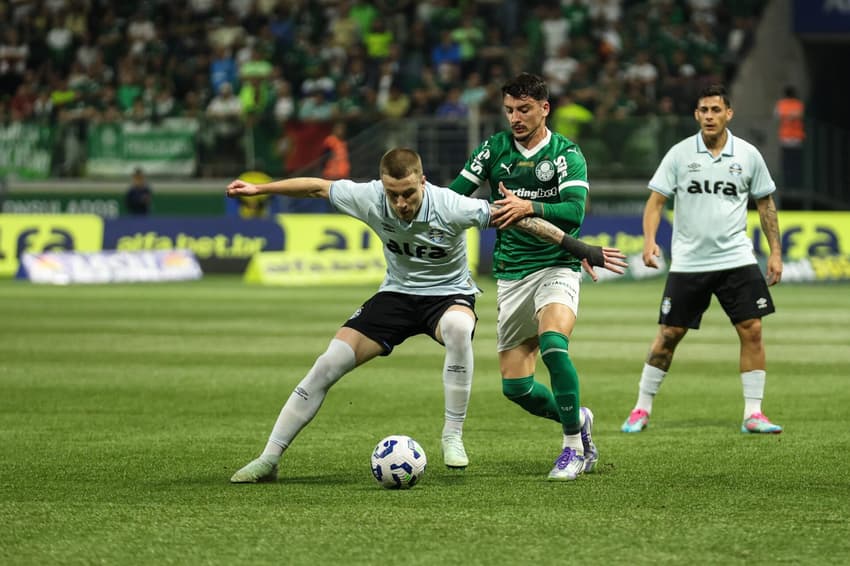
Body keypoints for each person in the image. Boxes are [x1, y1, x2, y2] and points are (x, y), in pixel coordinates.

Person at [229, 148, 625, 483]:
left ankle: (452, 435)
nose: (399, 203)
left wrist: (577, 247)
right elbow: (317, 186)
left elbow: (519, 217)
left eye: (407, 193)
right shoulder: (368, 197)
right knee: (327, 363)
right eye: (392, 194)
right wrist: (259, 188)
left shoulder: (452, 205)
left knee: (457, 327)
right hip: (396, 295)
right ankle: (269, 458)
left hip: (448, 295)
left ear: (423, 182)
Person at [448, 72, 622, 481]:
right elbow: (457, 195)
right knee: (516, 389)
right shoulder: (493, 150)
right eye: (509, 110)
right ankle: (578, 417)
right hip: (511, 274)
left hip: (557, 264)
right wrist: (428, 197)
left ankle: (573, 449)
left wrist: (529, 206)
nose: (516, 117)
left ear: (545, 108)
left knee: (553, 345)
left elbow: (575, 212)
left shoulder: (565, 153)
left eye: (524, 109)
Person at [620, 84, 784, 435]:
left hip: (736, 258)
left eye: (715, 110)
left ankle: (753, 414)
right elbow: (656, 202)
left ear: (729, 114)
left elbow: (766, 204)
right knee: (669, 334)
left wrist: (776, 253)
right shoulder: (680, 154)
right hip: (689, 262)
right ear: (696, 115)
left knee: (752, 330)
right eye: (703, 110)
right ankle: (641, 408)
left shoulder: (748, 155)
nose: (709, 116)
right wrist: (649, 242)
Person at [774, 85, 805, 190]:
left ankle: (787, 186)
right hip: (796, 138)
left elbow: (777, 116)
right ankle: (794, 186)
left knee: (786, 164)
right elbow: (798, 114)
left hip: (786, 138)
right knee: (795, 164)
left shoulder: (781, 104)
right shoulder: (798, 104)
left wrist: (787, 116)